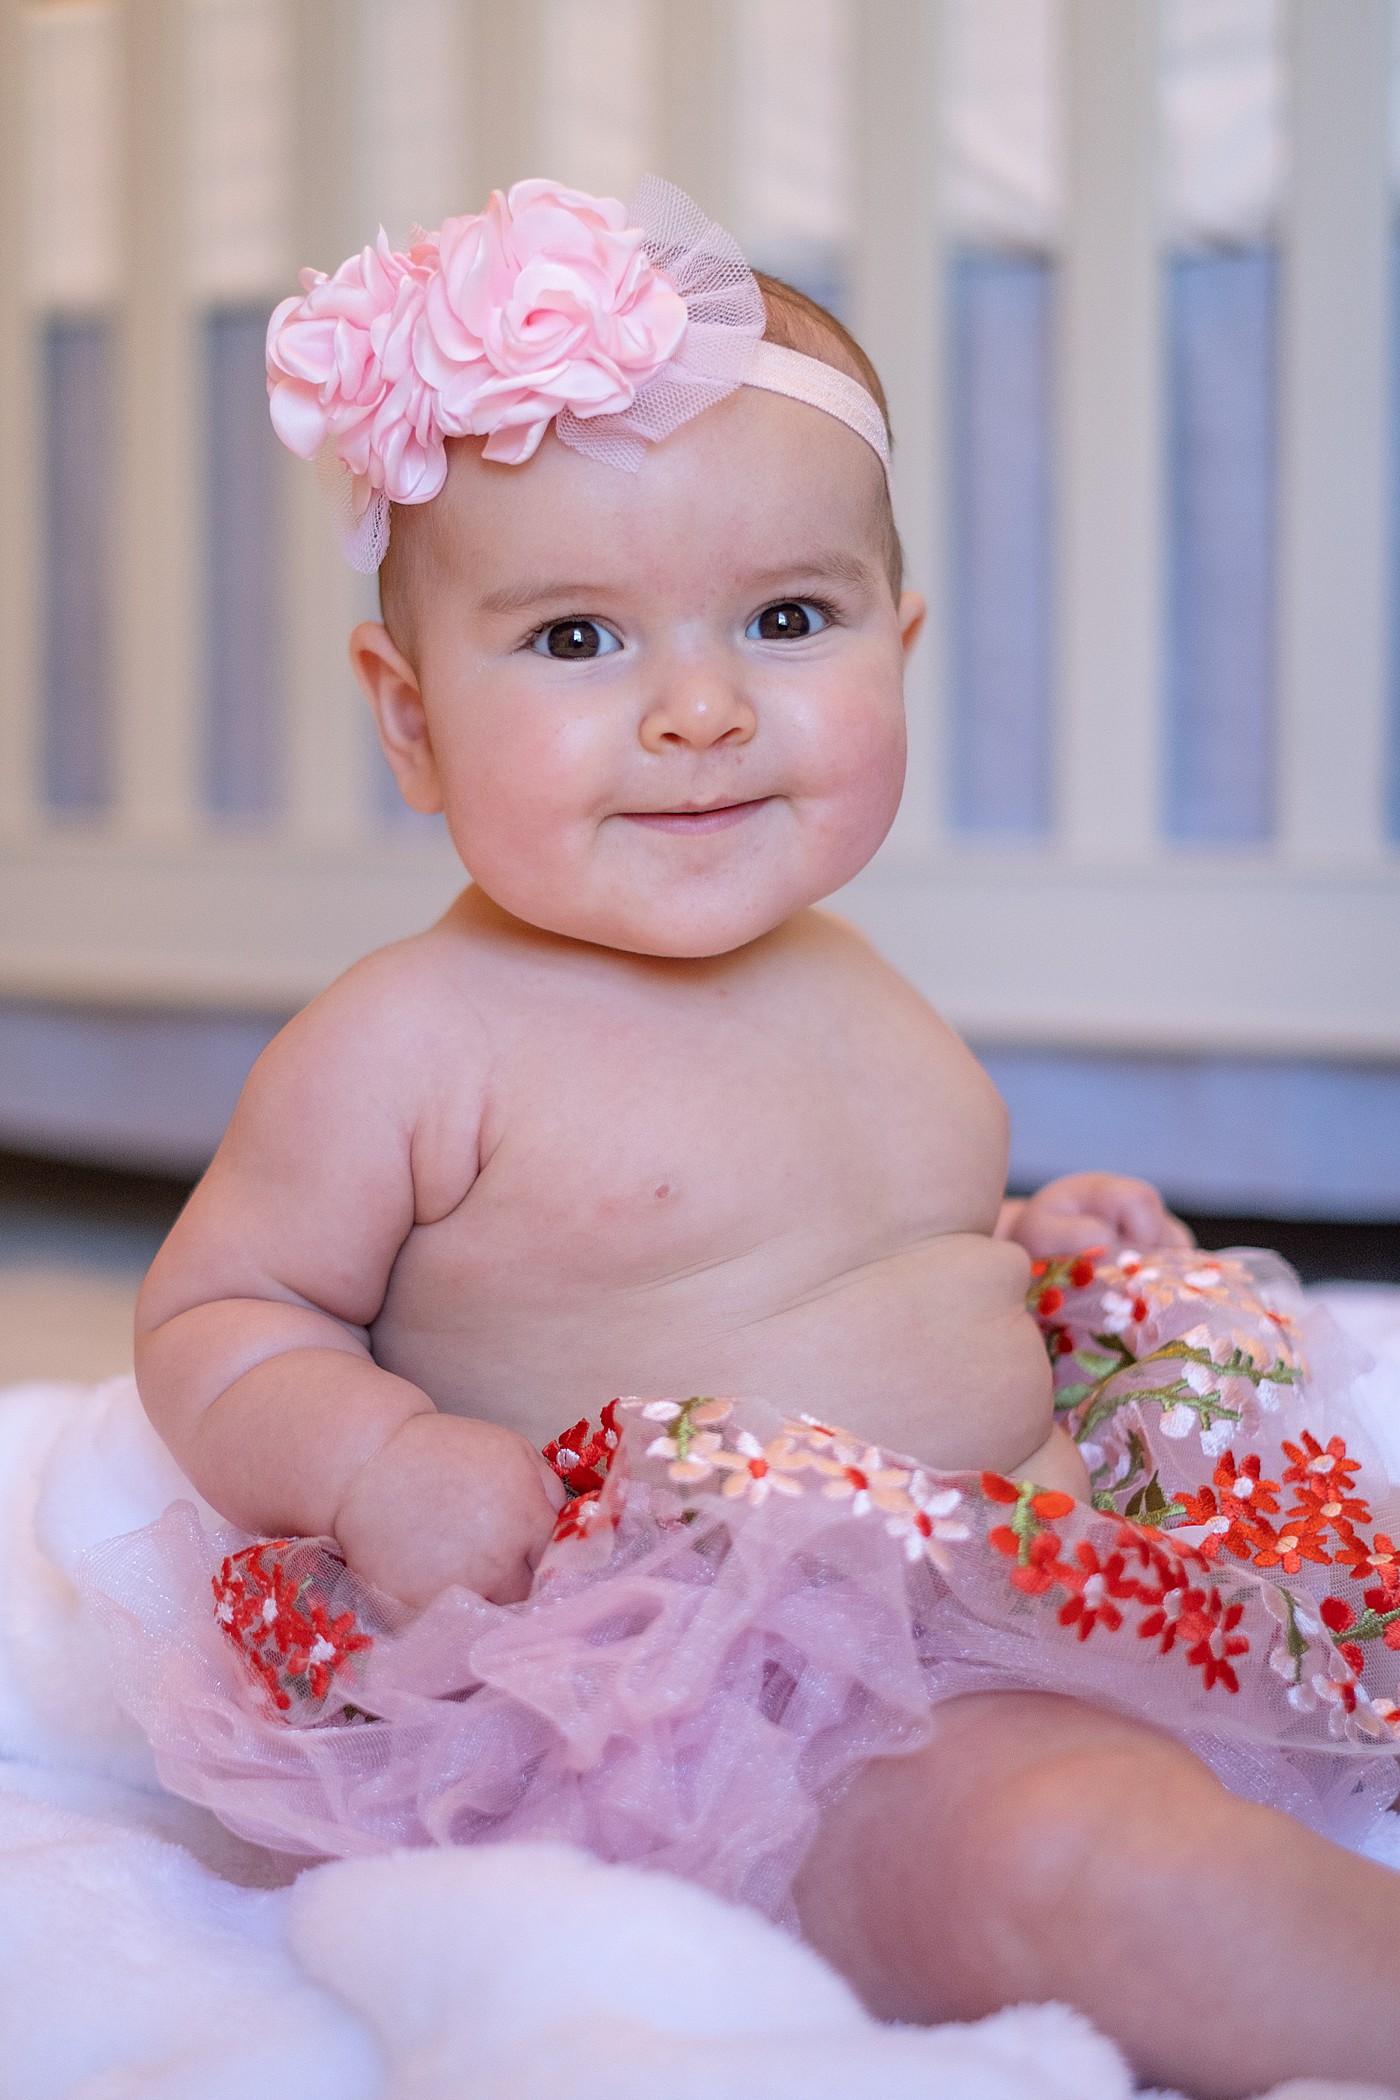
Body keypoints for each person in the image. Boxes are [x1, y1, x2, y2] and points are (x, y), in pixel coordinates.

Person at [112, 179, 1400, 2096]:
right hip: (740, 1697)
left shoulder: (860, 977)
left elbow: (872, 1253)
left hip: (1042, 1576)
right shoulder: (409, 1041)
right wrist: (377, 1457)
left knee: (1173, 1752)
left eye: (788, 619)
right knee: (1067, 1854)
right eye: (572, 641)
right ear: (409, 720)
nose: (702, 711)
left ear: (902, 638)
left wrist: (1039, 1243)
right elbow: (217, 1314)